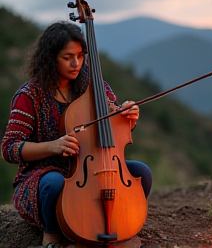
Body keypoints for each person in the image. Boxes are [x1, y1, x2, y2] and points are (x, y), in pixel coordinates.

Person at [1, 21, 152, 248]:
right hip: (42, 175)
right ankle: (52, 235)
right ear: (50, 58)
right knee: (55, 182)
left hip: (93, 169)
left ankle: (117, 224)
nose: (76, 63)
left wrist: (128, 115)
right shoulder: (29, 95)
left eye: (81, 56)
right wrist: (53, 146)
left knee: (142, 173)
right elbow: (9, 149)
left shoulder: (95, 87)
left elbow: (115, 129)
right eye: (67, 57)